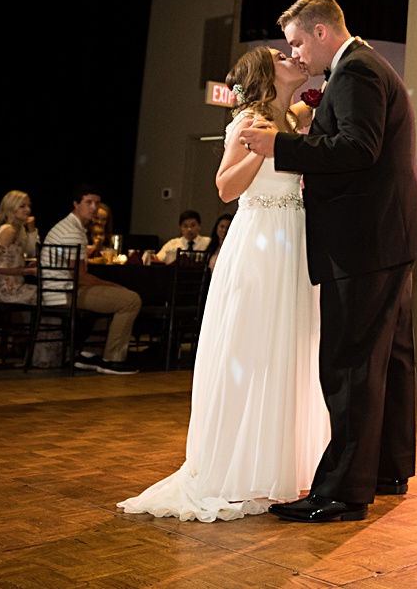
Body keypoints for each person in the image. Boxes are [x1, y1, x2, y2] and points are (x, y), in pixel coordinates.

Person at [240, 0, 417, 523]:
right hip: (388, 236)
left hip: (366, 241)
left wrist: (278, 145)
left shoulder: (356, 72)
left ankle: (342, 493)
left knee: (350, 364)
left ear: (322, 32)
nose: (296, 54)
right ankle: (387, 470)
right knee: (388, 361)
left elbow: (357, 148)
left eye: (299, 42)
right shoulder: (364, 68)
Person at [121, 45, 327, 522]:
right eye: (281, 54)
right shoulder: (249, 121)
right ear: (263, 73)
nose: (292, 56)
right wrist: (261, 148)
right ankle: (238, 469)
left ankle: (280, 466)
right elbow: (226, 188)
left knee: (288, 351)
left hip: (294, 246)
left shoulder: (288, 118)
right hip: (259, 246)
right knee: (253, 349)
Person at [44, 185, 141, 375]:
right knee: (130, 300)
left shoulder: (73, 227)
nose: (94, 207)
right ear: (76, 204)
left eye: (96, 202)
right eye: (88, 202)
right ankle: (112, 359)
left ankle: (89, 353)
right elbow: (80, 277)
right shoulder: (71, 231)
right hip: (63, 293)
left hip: (61, 289)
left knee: (117, 298)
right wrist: (114, 286)